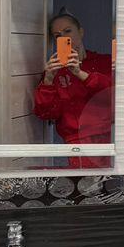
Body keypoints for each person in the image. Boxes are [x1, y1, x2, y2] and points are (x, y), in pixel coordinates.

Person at [33, 10, 114, 168]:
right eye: (58, 36)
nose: (64, 38)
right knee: (86, 183)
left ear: (81, 32)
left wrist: (80, 73)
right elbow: (46, 113)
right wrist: (48, 80)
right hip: (76, 142)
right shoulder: (54, 71)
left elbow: (113, 97)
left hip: (110, 137)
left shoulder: (104, 62)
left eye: (68, 31)